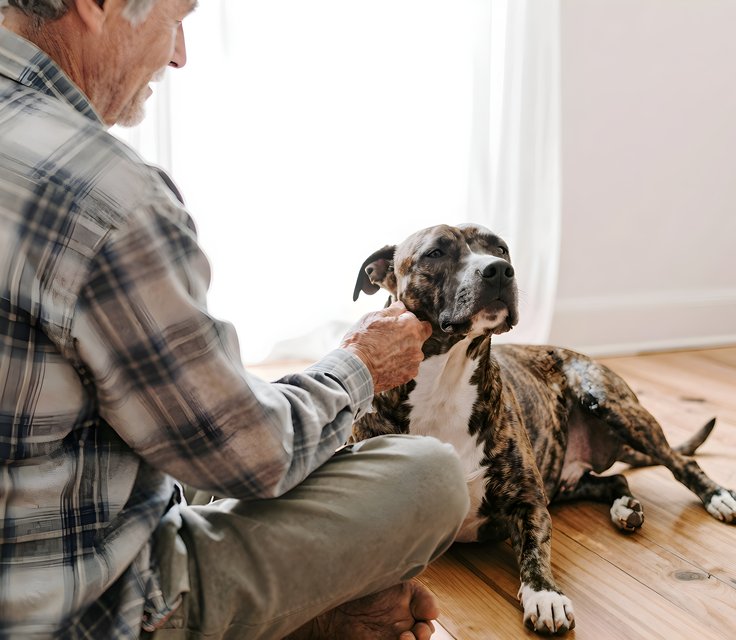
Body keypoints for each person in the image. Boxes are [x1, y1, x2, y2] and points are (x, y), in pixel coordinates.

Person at [0, 1, 470, 638]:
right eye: (177, 14)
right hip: (81, 611)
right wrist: (359, 365)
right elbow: (250, 456)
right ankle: (310, 614)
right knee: (431, 479)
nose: (179, 53)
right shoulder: (104, 191)